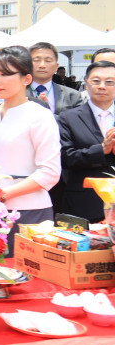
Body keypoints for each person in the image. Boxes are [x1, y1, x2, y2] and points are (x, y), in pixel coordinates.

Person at [0, 46, 61, 247]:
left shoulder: (39, 115)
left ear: (26, 79)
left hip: (30, 210)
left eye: (5, 74)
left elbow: (50, 172)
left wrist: (4, 194)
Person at [58, 60, 115, 223]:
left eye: (109, 82)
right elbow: (65, 158)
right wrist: (101, 149)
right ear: (86, 84)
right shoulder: (68, 118)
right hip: (83, 204)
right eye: (96, 81)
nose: (102, 86)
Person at [29, 42, 85, 115]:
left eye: (48, 61)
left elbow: (78, 123)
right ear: (28, 64)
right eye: (37, 60)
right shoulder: (16, 94)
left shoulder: (73, 96)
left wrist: (46, 114)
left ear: (56, 66)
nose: (42, 65)